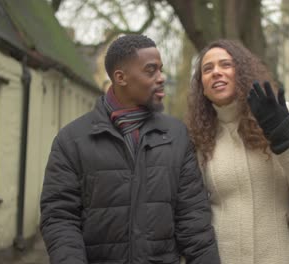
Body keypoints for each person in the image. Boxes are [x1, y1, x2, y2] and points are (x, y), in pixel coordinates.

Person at [40, 34, 220, 264]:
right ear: (120, 77)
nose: (161, 78)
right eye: (150, 70)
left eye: (161, 69)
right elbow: (59, 217)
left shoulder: (176, 136)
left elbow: (193, 219)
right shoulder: (71, 140)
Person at [186, 39, 289, 264]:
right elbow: (192, 210)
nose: (216, 73)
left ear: (242, 72)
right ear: (201, 84)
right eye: (207, 69)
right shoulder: (200, 135)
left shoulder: (281, 114)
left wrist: (284, 141)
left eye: (225, 65)